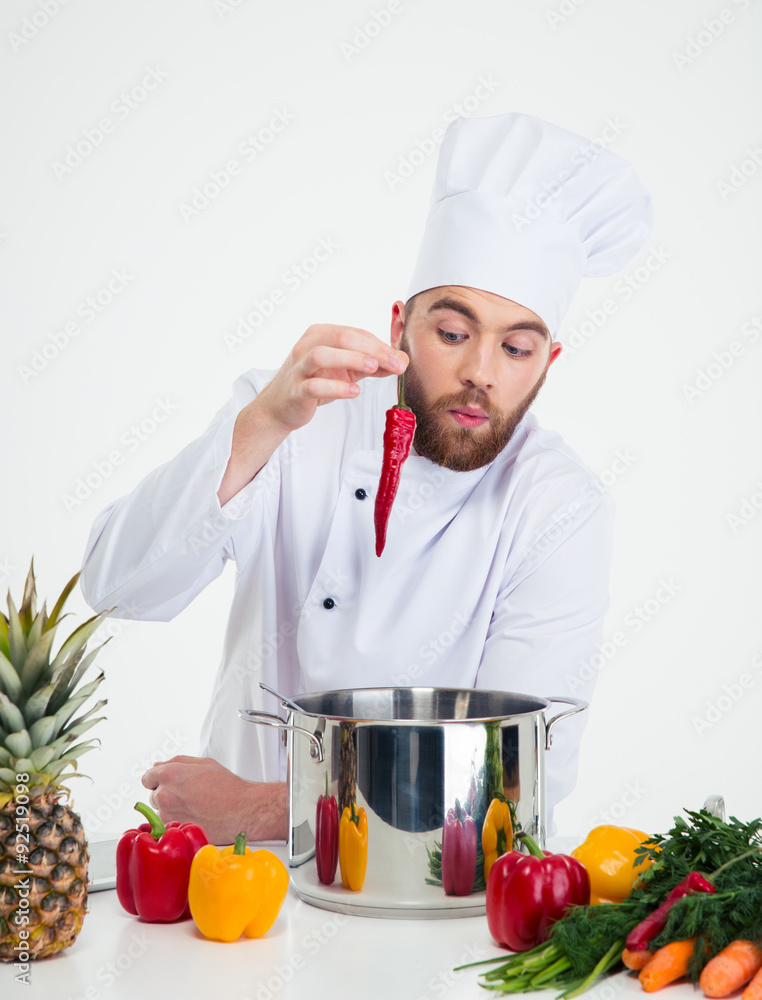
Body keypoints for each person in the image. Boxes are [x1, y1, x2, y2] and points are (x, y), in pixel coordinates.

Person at [80, 112, 653, 844]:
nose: (480, 371)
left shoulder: (559, 507)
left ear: (549, 362)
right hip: (228, 893)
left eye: (516, 347)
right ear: (398, 327)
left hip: (423, 896)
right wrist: (260, 425)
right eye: (452, 334)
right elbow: (116, 585)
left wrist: (255, 808)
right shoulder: (297, 415)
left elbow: (514, 784)